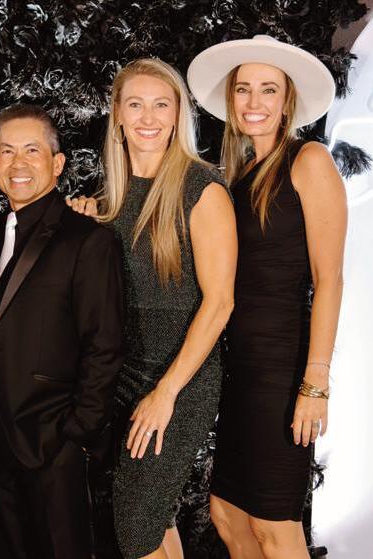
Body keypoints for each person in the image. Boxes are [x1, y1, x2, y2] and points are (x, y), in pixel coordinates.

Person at [69, 59, 237, 559]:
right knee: (153, 521)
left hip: (181, 378)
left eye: (161, 105)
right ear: (117, 114)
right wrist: (84, 221)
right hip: (125, 376)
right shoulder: (108, 200)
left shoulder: (202, 189)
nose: (148, 117)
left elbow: (220, 303)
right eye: (136, 104)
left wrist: (166, 392)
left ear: (178, 115)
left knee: (135, 529)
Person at [188, 36, 346, 559]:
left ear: (287, 100)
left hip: (283, 373)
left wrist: (315, 383)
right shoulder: (235, 180)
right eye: (244, 89)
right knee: (227, 515)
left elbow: (329, 279)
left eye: (268, 90)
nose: (254, 102)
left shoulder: (309, 159)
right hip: (239, 372)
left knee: (275, 528)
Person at [0, 103, 125, 559]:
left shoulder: (87, 239)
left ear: (57, 163)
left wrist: (75, 434)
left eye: (32, 150)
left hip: (54, 447)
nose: (19, 163)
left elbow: (105, 344)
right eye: (7, 152)